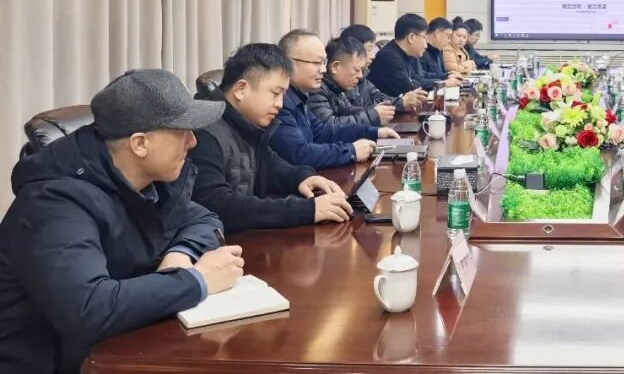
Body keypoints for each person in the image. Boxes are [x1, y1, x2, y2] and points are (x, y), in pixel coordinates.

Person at [0, 69, 244, 374]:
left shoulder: (147, 179)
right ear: (140, 144)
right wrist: (197, 281)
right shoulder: (52, 204)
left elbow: (203, 218)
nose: (193, 141)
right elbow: (88, 310)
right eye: (183, 131)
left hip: (120, 348)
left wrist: (180, 255)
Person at [190, 43, 357, 231]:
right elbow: (218, 205)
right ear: (241, 89)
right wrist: (306, 210)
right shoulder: (204, 133)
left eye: (283, 94)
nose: (280, 104)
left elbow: (270, 165)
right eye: (275, 93)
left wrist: (303, 177)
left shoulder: (245, 122)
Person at [270, 29, 397, 170]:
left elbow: (323, 133)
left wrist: (372, 132)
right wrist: (351, 151)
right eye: (317, 63)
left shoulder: (298, 96)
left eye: (323, 62)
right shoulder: (279, 103)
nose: (324, 69)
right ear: (289, 63)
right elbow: (300, 154)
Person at [367, 13, 438, 95]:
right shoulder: (391, 58)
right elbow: (411, 91)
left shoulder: (405, 55)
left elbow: (417, 80)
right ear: (411, 37)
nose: (426, 44)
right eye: (424, 37)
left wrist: (442, 82)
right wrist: (440, 86)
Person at [420, 17, 464, 88]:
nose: (449, 41)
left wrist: (448, 75)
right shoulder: (420, 52)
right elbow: (420, 79)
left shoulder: (439, 49)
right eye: (448, 37)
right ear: (437, 33)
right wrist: (444, 82)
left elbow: (438, 74)